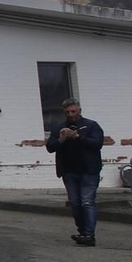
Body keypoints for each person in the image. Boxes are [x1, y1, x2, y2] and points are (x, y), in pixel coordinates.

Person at [45, 97, 105, 247]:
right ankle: (83, 232)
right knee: (75, 203)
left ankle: (89, 235)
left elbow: (97, 144)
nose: (71, 114)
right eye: (67, 112)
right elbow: (50, 147)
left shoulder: (91, 126)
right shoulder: (59, 128)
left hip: (89, 170)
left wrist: (78, 137)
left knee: (87, 202)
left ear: (79, 111)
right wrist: (61, 139)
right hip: (69, 171)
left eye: (73, 111)